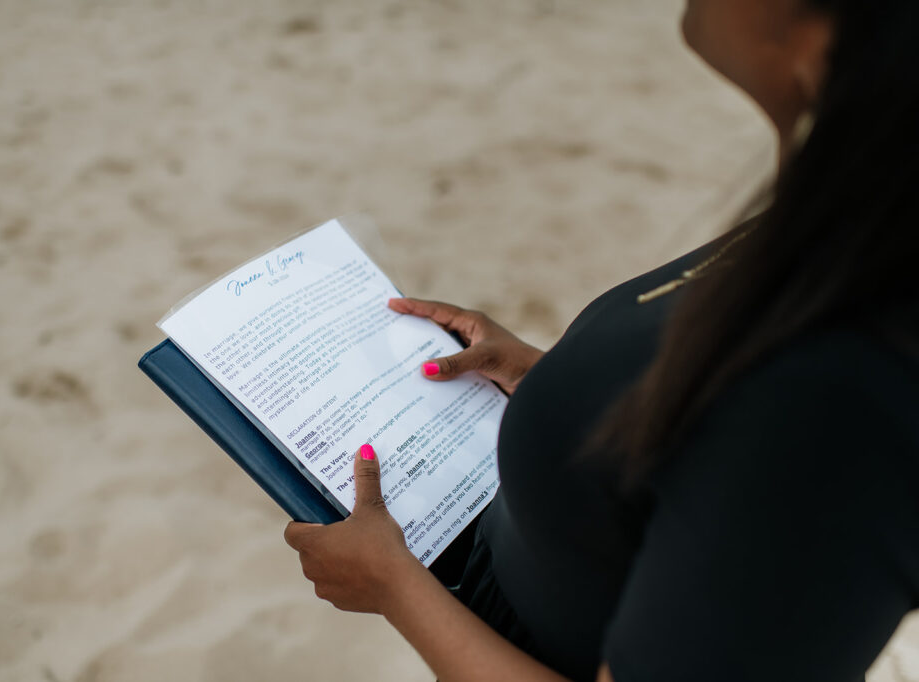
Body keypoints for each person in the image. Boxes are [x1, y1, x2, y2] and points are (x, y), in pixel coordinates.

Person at [283, 0, 919, 679]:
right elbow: (716, 449)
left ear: (821, 31)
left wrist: (394, 587)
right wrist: (569, 382)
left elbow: (777, 452)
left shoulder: (840, 395)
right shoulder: (868, 204)